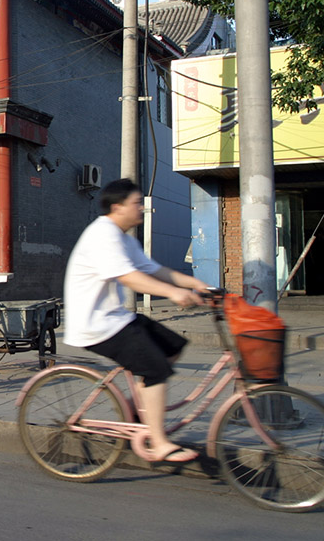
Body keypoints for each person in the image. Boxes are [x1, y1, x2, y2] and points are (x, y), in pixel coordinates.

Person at [64, 179, 209, 463]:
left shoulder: (125, 237)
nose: (141, 209)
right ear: (117, 207)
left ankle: (135, 408)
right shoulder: (102, 234)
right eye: (136, 204)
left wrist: (196, 284)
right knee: (156, 370)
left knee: (173, 346)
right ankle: (158, 441)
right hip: (96, 325)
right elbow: (129, 277)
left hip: (117, 318)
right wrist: (174, 293)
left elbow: (152, 270)